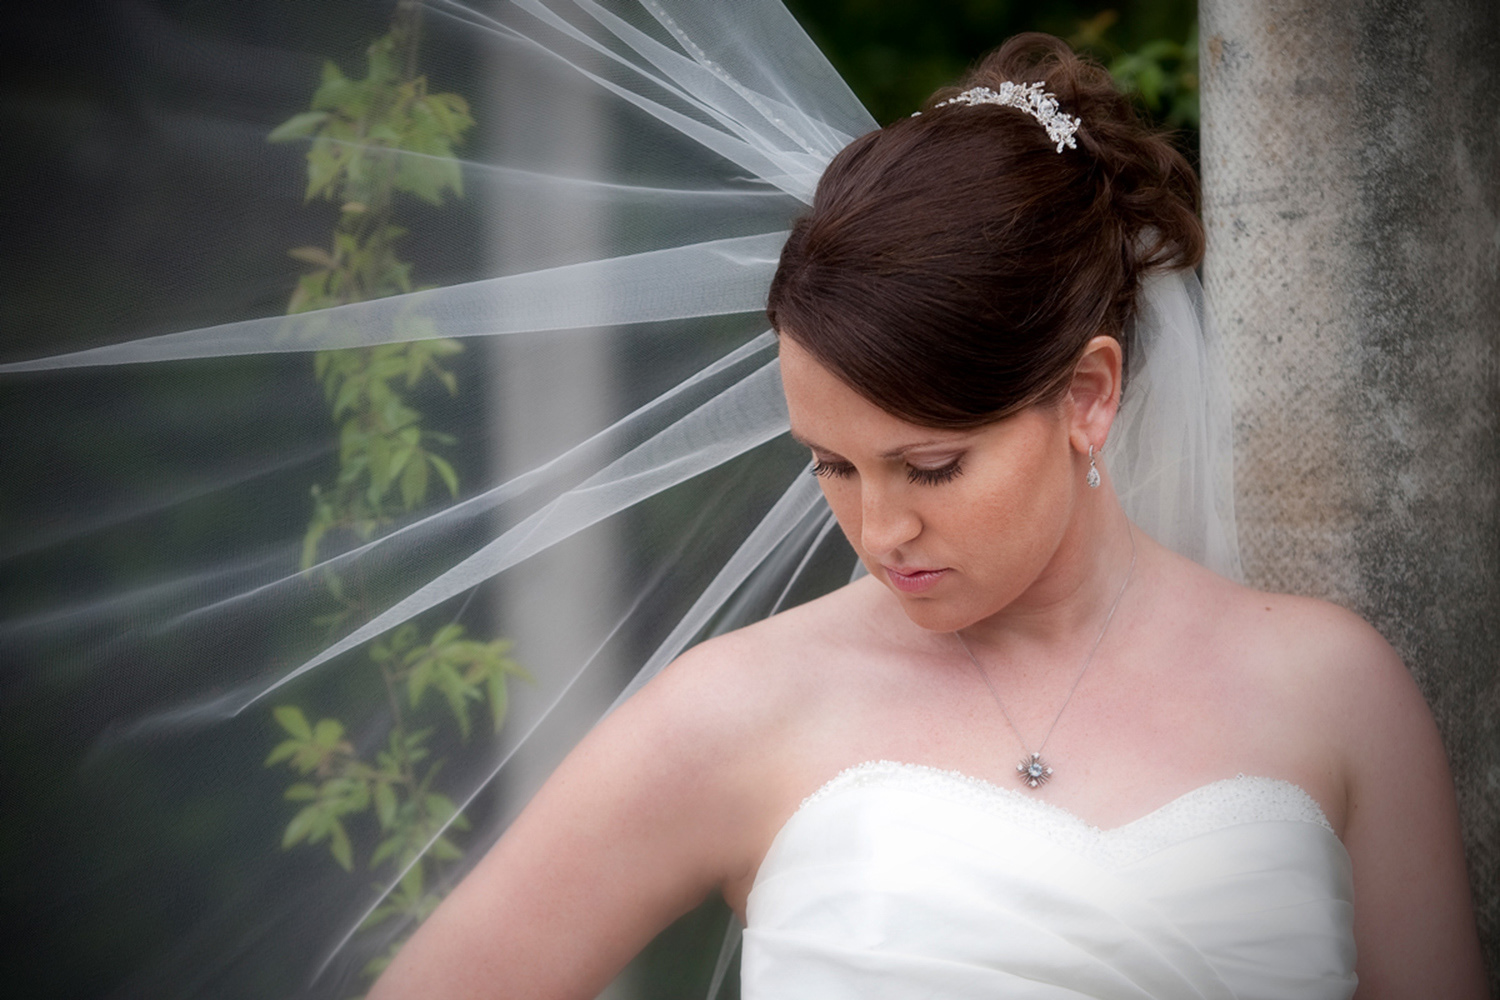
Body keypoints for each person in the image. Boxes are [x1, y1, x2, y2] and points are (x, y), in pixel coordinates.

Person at [367, 33, 1486, 1000]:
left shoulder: (1333, 692)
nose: (878, 529)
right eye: (831, 465)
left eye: (931, 466)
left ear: (1087, 396)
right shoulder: (737, 711)